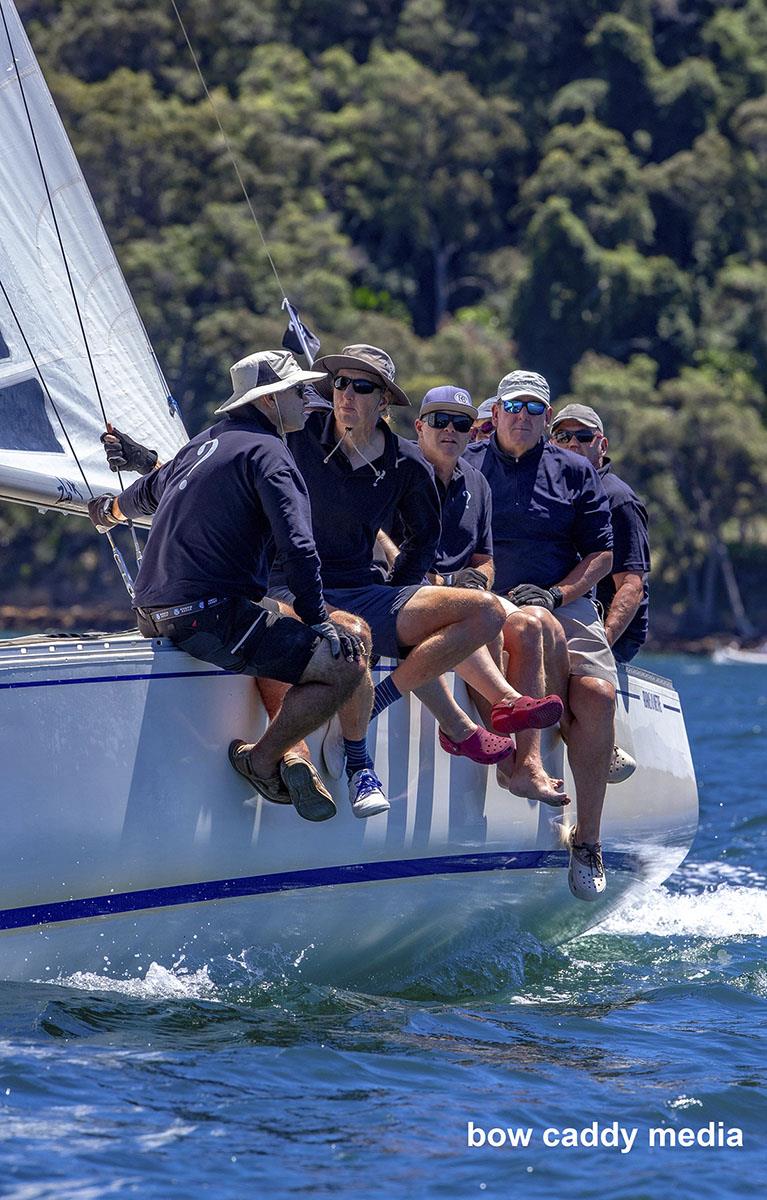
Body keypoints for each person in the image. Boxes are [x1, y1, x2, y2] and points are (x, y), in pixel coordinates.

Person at [88, 349, 370, 824]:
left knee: (278, 619)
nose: (308, 398)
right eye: (298, 390)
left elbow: (144, 495)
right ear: (269, 400)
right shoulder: (270, 453)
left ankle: (289, 750)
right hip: (211, 616)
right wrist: (321, 621)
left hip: (151, 616)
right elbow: (299, 547)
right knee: (346, 665)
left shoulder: (201, 445)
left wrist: (107, 512)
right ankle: (260, 760)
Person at [272, 345, 516, 789]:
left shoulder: (405, 462)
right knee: (355, 636)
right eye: (339, 383)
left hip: (360, 590)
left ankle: (387, 694)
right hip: (286, 587)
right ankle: (359, 764)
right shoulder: (297, 436)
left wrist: (400, 593)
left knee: (489, 611)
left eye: (361, 386)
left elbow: (425, 537)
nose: (345, 394)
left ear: (383, 400)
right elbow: (221, 461)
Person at [465, 370, 617, 901]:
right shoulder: (467, 463)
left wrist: (556, 593)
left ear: (547, 419)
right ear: (497, 411)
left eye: (534, 408)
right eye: (513, 406)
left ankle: (589, 841)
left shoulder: (576, 471)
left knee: (598, 694)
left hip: (562, 597)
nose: (523, 416)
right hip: (485, 597)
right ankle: (519, 759)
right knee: (521, 629)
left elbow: (602, 555)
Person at [387, 385, 569, 806]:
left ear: (473, 432)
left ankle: (527, 765)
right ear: (419, 427)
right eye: (439, 421)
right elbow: (376, 534)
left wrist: (479, 579)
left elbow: (486, 558)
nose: (450, 430)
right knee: (481, 616)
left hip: (461, 590)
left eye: (461, 423)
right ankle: (503, 722)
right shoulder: (397, 470)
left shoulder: (477, 483)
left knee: (527, 624)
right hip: (409, 586)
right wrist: (422, 575)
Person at [550, 404, 650, 663]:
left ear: (602, 445)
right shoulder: (547, 491)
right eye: (563, 437)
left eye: (583, 437)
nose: (572, 444)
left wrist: (602, 644)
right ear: (551, 443)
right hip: (557, 612)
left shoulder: (619, 500)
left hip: (607, 629)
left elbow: (632, 585)